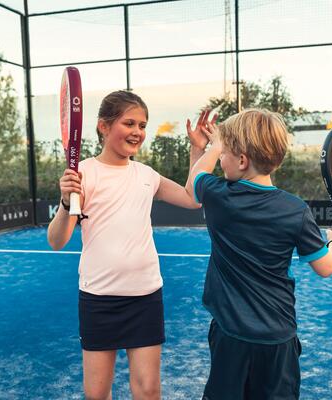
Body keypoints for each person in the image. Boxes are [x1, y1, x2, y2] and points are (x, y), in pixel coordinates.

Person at [47, 90, 215, 400]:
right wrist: (63, 202)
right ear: (103, 126)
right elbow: (58, 240)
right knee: (97, 394)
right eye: (129, 123)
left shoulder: (146, 175)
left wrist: (197, 150)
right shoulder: (83, 174)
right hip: (99, 299)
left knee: (148, 390)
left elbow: (193, 198)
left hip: (145, 297)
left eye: (142, 125)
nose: (137, 132)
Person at [185, 108, 332, 400]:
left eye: (225, 154)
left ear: (243, 160)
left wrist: (209, 146)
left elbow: (194, 181)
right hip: (277, 340)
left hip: (229, 337)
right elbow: (326, 267)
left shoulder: (219, 195)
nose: (220, 159)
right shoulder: (295, 209)